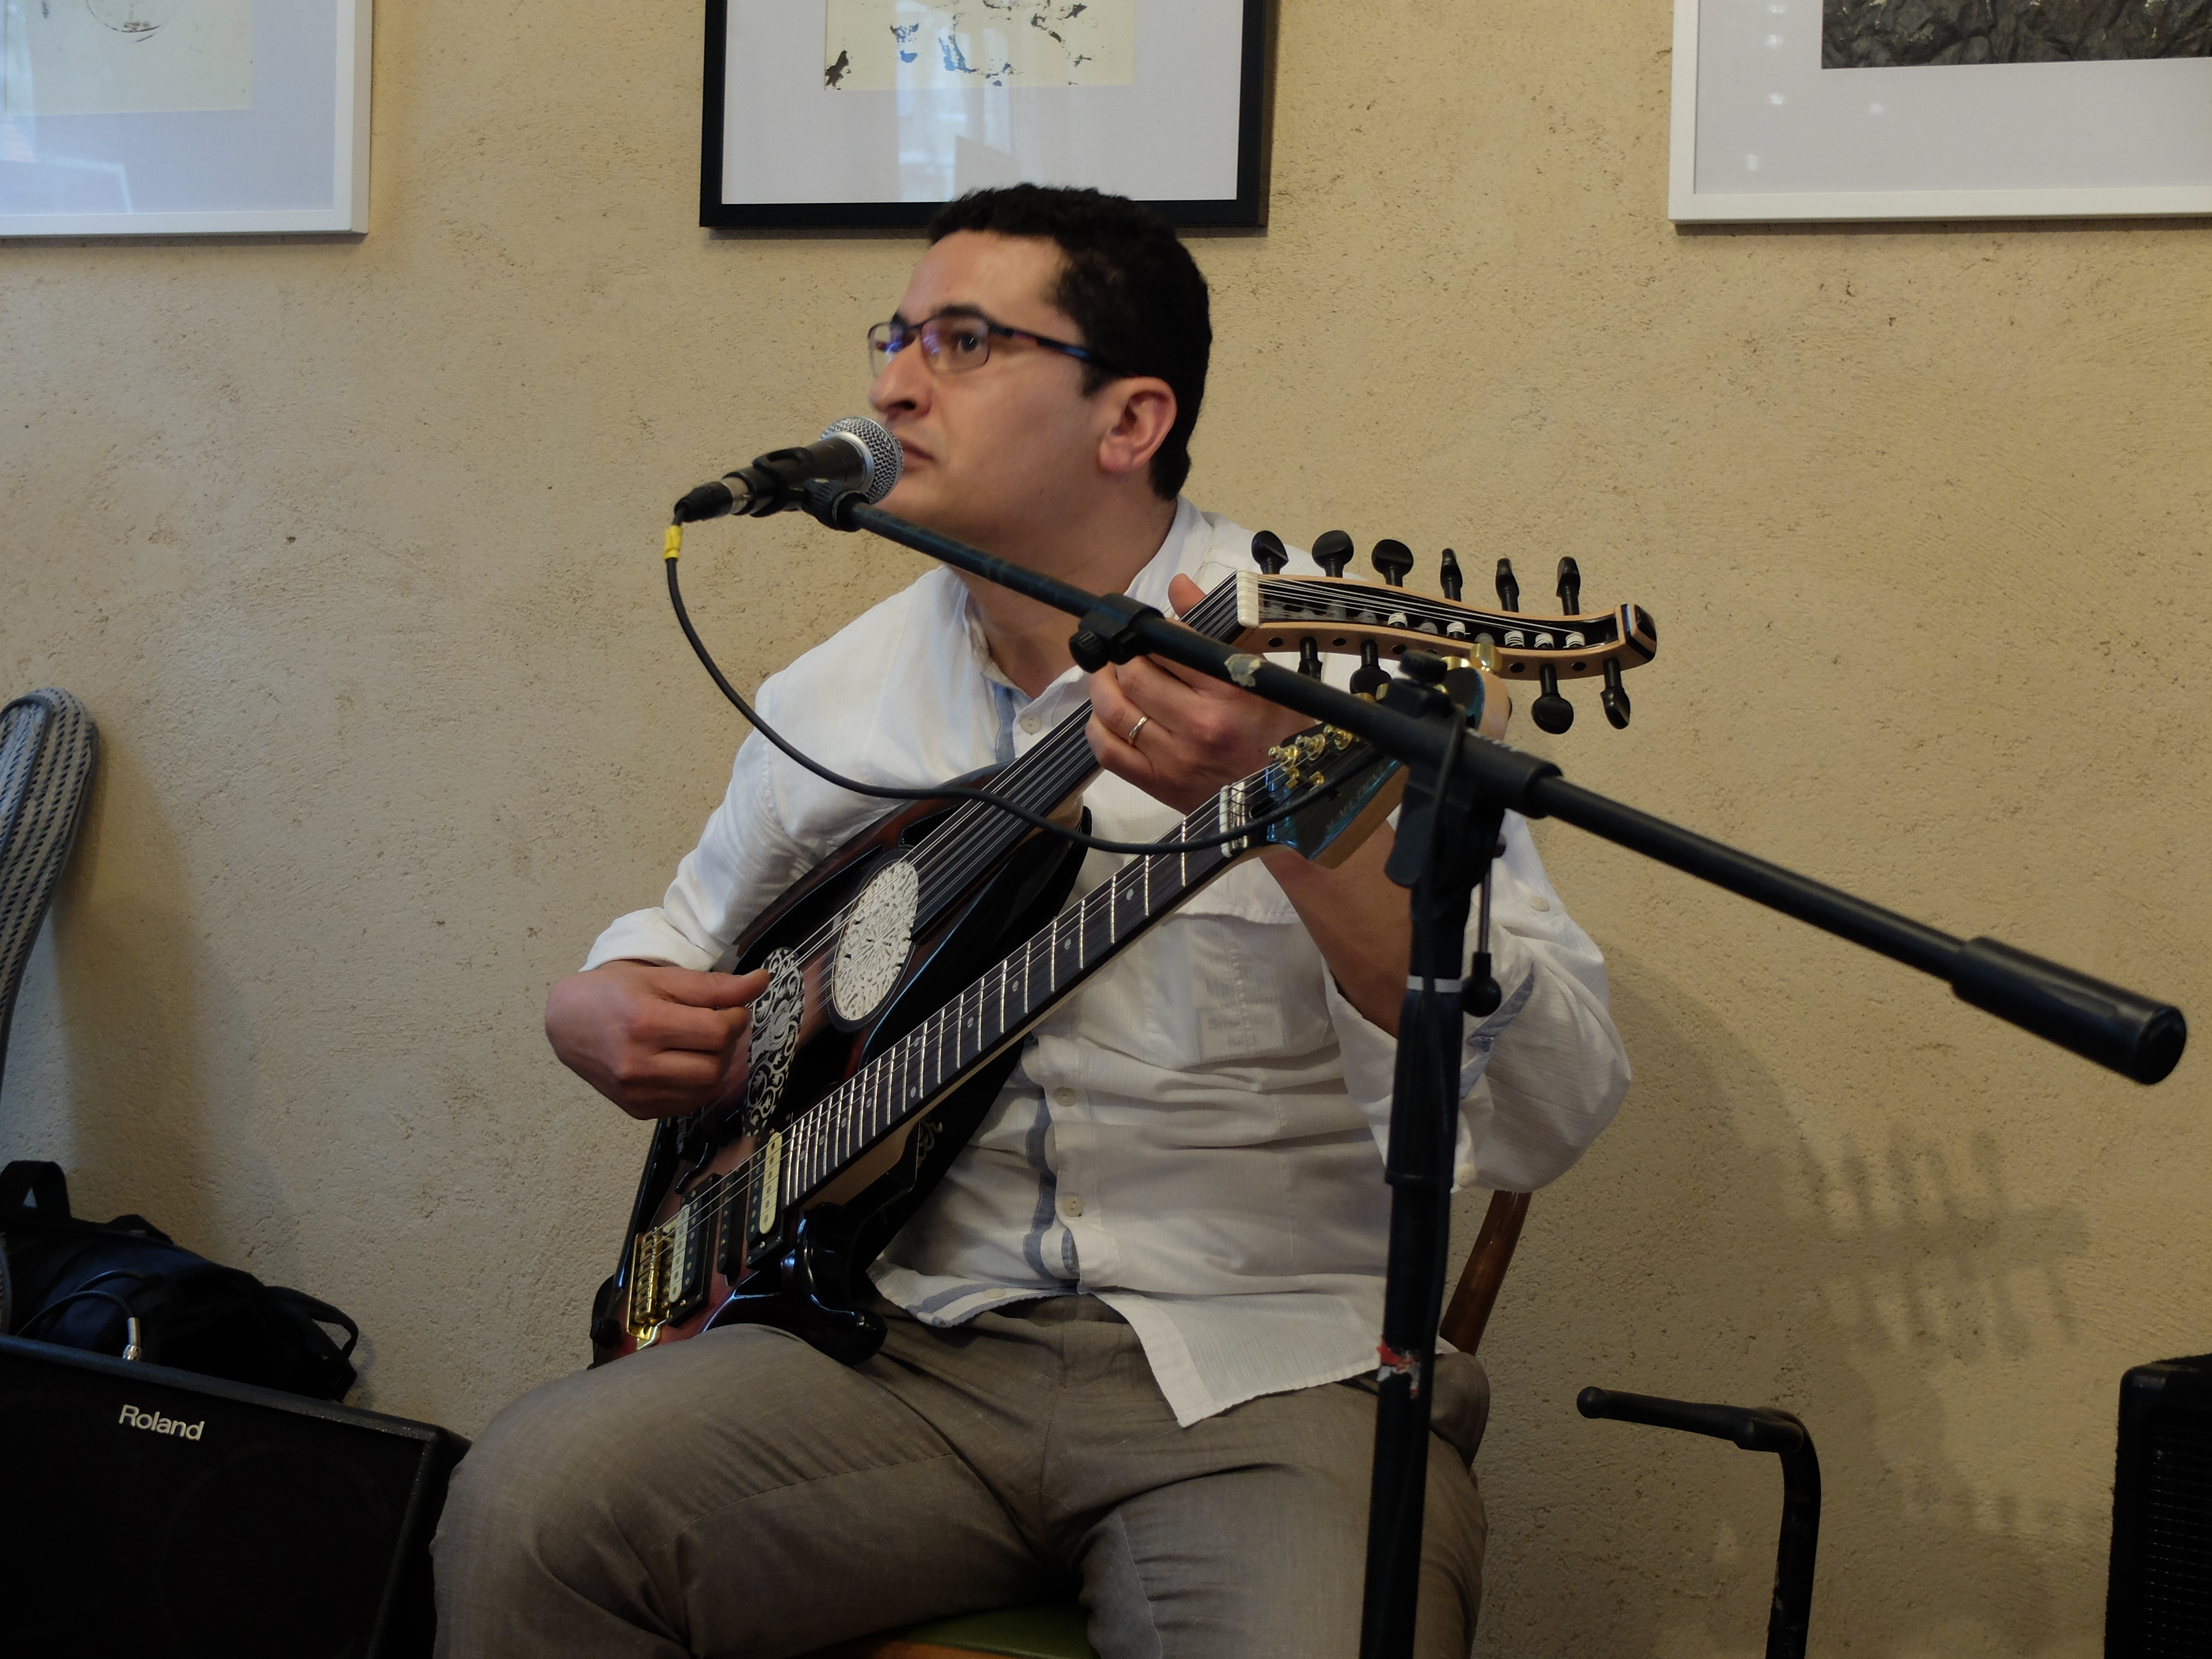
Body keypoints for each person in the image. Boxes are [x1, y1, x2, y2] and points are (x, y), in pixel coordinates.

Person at [432, 186, 1631, 1659]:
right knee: (533, 1509)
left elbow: (1552, 1100)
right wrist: (603, 996)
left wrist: (1291, 821)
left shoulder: (1316, 671)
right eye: (893, 338)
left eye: (962, 342)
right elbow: (693, 940)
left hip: (1265, 1373)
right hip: (891, 1351)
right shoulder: (837, 699)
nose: (893, 384)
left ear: (1129, 420)